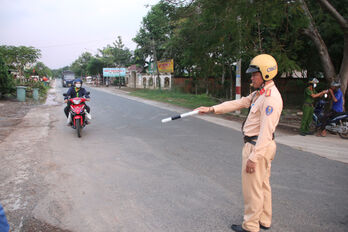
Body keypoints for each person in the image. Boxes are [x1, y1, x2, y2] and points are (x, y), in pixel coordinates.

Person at [196, 54, 282, 232]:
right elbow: (239, 103)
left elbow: (266, 133)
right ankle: (264, 220)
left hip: (257, 146)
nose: (251, 78)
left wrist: (254, 157)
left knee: (252, 189)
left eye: (254, 74)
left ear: (266, 74)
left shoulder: (270, 99)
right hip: (260, 146)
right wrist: (212, 109)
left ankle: (251, 226)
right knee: (263, 185)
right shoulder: (260, 93)